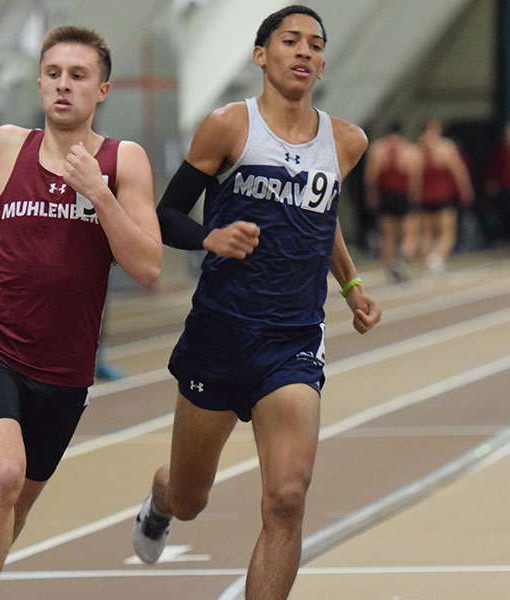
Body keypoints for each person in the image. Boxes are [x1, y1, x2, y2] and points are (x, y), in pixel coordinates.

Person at [132, 6, 381, 598]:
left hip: (291, 342)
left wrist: (351, 286)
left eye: (315, 44)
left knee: (288, 498)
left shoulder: (347, 141)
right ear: (260, 54)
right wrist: (209, 237)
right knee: (191, 497)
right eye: (290, 40)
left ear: (321, 62)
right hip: (219, 337)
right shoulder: (228, 127)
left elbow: (321, 222)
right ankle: (160, 501)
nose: (304, 51)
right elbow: (165, 214)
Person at [0, 25, 161, 599]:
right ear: (40, 82)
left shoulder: (123, 161)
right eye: (55, 74)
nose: (64, 86)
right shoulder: (8, 144)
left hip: (64, 364)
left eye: (79, 76)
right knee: (5, 472)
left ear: (102, 90)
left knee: (16, 504)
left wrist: (101, 194)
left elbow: (148, 267)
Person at [364, 122, 421, 281]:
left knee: (388, 236)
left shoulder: (377, 149)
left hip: (385, 195)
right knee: (410, 234)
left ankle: (390, 269)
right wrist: (414, 198)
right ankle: (401, 260)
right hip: (403, 195)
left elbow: (370, 178)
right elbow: (414, 177)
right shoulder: (409, 150)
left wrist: (372, 197)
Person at [417, 120, 473, 272]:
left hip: (423, 197)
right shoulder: (445, 147)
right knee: (447, 233)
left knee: (427, 234)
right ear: (435, 129)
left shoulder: (417, 150)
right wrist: (466, 191)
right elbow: (459, 172)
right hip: (443, 196)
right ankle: (436, 258)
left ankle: (427, 265)